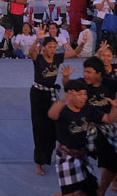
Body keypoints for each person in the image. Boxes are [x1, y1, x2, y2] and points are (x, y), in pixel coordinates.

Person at [48, 79, 117, 196]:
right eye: (80, 94)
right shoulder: (64, 110)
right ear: (71, 94)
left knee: (91, 192)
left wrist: (116, 107)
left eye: (85, 95)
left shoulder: (88, 109)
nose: (84, 98)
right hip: (66, 157)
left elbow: (109, 119)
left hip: (82, 156)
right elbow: (52, 115)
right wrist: (62, 101)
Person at [28, 26, 79, 175]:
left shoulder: (57, 58)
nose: (53, 49)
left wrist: (82, 43)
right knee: (39, 127)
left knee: (52, 127)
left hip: (51, 94)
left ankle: (48, 157)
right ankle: (38, 161)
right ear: (43, 48)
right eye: (50, 47)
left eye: (55, 47)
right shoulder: (39, 58)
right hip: (38, 95)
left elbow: (75, 53)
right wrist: (37, 39)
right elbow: (31, 52)